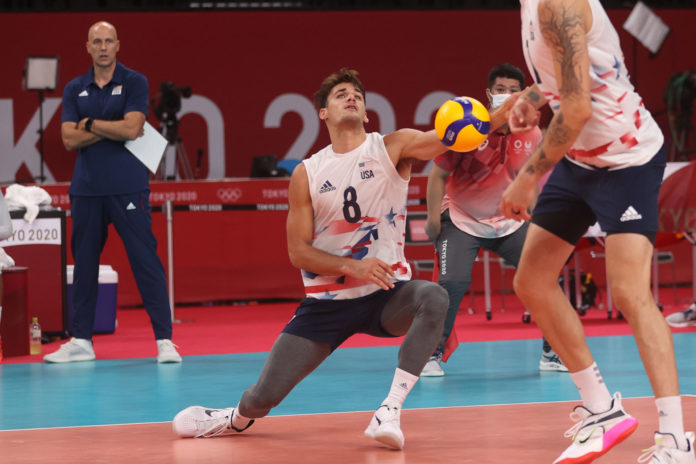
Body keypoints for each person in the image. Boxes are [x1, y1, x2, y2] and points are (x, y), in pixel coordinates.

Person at [172, 68, 519, 449]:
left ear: (366, 112)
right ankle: (234, 419)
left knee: (434, 296)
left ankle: (389, 410)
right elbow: (298, 252)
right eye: (340, 94)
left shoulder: (392, 147)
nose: (351, 97)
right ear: (323, 113)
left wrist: (503, 113)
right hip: (327, 305)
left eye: (357, 94)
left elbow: (449, 136)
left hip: (387, 295)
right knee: (262, 398)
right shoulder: (307, 173)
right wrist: (353, 267)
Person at [501, 1, 695, 462]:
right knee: (532, 280)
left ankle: (676, 439)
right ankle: (602, 409)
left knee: (629, 293)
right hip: (579, 161)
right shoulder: (532, 6)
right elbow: (568, 76)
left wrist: (528, 176)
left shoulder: (559, 6)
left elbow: (577, 107)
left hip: (627, 160)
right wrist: (532, 98)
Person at [44, 21, 181, 364]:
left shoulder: (134, 81)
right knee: (84, 266)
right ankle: (81, 341)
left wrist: (89, 124)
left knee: (145, 261)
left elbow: (133, 129)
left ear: (118, 45)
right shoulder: (75, 88)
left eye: (108, 41)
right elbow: (68, 139)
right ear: (88, 47)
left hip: (128, 188)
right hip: (86, 189)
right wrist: (113, 129)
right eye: (97, 41)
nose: (103, 47)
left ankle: (165, 341)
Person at [421, 63, 567, 377]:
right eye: (501, 90)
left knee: (547, 276)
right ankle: (430, 353)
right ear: (489, 94)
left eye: (514, 90)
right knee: (451, 283)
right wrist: (433, 220)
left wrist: (534, 219)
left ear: (525, 94)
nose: (507, 96)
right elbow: (438, 175)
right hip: (462, 220)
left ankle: (552, 352)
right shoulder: (469, 128)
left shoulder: (532, 132)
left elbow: (529, 177)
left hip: (510, 222)